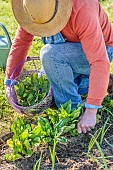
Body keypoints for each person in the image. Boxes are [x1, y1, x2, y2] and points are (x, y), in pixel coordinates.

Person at [4, 0, 113, 134]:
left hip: (102, 50)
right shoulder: (34, 9)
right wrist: (10, 81)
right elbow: (20, 43)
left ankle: (72, 111)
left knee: (50, 55)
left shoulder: (83, 8)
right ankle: (91, 81)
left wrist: (91, 111)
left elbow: (99, 61)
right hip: (67, 50)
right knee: (45, 86)